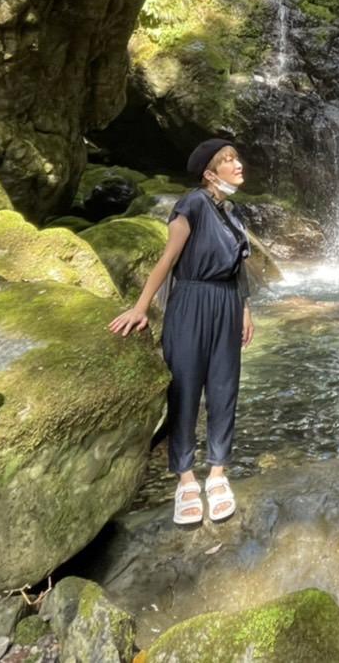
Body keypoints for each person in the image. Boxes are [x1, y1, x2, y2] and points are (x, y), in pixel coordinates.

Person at [108, 139, 255, 525]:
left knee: (224, 387)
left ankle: (218, 472)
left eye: (236, 158)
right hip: (191, 299)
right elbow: (168, 258)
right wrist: (141, 307)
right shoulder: (192, 205)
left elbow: (238, 267)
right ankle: (186, 477)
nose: (237, 164)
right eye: (228, 160)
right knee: (185, 388)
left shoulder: (233, 211)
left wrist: (245, 310)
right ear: (210, 174)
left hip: (227, 302)